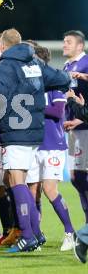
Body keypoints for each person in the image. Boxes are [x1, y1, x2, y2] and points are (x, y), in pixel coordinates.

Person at [0, 29, 71, 253]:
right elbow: (61, 78)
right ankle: (36, 233)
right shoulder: (34, 62)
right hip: (35, 133)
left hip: (16, 131)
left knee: (16, 182)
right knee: (21, 182)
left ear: (5, 45)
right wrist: (63, 84)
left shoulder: (8, 64)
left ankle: (27, 236)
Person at [26, 44, 76, 251]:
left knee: (49, 189)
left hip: (52, 145)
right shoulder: (29, 85)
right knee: (31, 191)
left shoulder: (55, 83)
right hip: (31, 144)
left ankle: (69, 232)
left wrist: (33, 105)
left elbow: (57, 111)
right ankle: (37, 236)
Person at [62, 30, 88, 225]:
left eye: (68, 42)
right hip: (73, 129)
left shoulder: (85, 63)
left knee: (81, 176)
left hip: (84, 127)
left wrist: (81, 120)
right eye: (64, 41)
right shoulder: (67, 66)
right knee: (75, 177)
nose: (65, 44)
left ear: (80, 46)